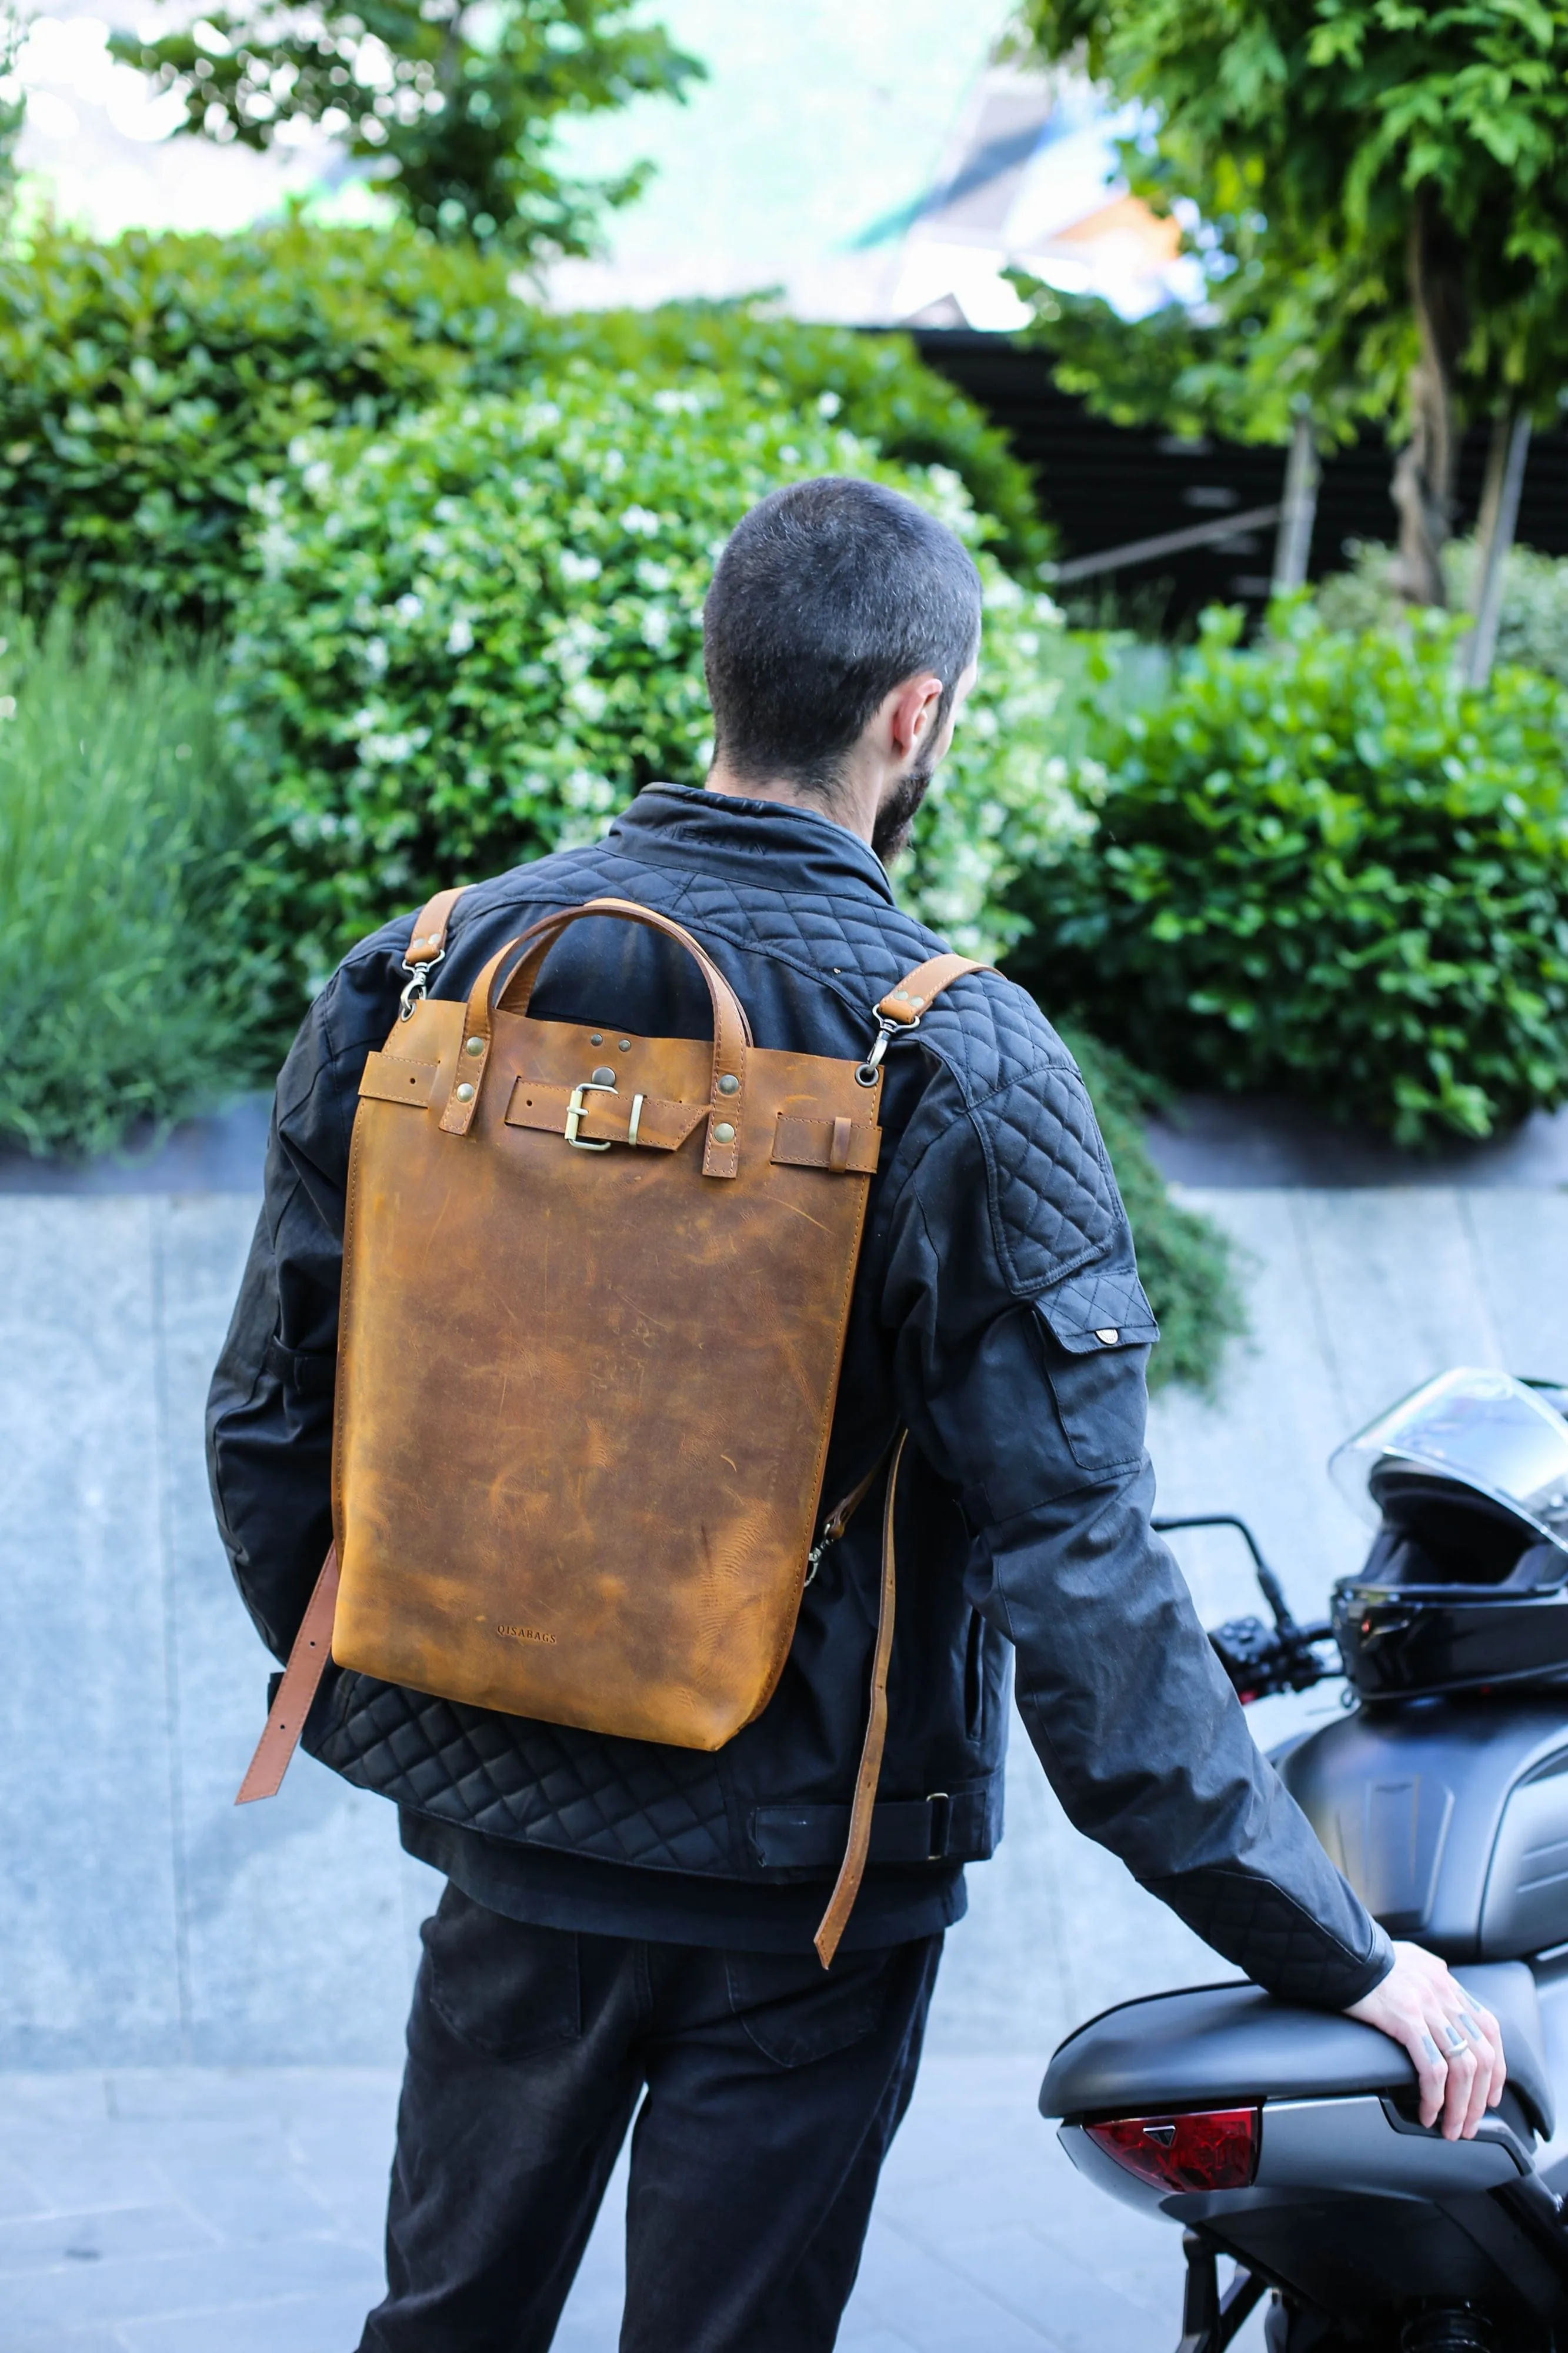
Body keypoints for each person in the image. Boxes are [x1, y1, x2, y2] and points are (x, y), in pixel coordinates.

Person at [208, 475, 1504, 2353]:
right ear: (919, 716)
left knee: (441, 2325)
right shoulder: (960, 1056)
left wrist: (420, 1694)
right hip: (809, 1895)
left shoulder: (421, 977)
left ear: (718, 674)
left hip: (503, 1843)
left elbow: (267, 1421)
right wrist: (1345, 1956)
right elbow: (1091, 1590)